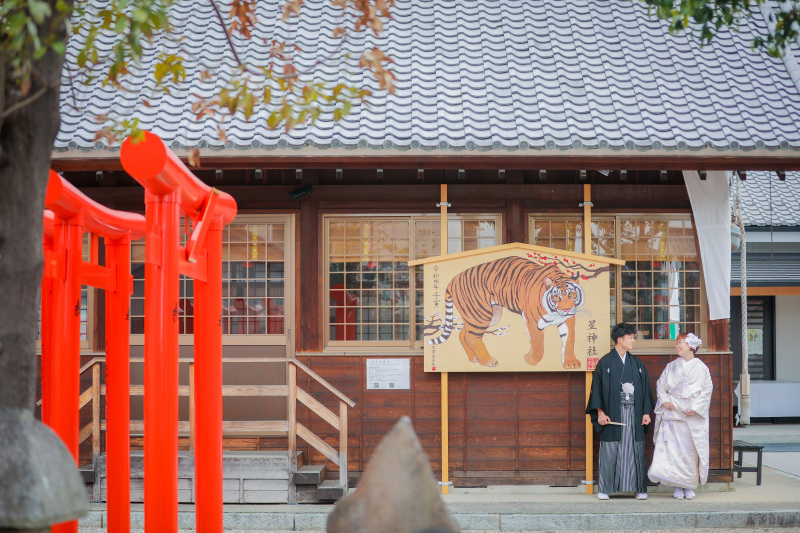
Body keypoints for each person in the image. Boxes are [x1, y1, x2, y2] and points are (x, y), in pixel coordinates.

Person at [586, 323, 654, 500]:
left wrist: (646, 413)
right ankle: (605, 489)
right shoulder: (605, 363)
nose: (633, 340)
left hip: (634, 414)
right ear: (619, 339)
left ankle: (638, 488)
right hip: (612, 413)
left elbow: (645, 389)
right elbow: (597, 389)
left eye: (633, 337)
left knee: (635, 450)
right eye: (630, 337)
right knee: (610, 450)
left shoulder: (637, 364)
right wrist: (600, 413)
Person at [648, 332, 713, 500]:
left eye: (680, 343)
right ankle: (677, 485)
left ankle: (689, 485)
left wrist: (696, 408)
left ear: (691, 346)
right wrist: (665, 401)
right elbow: (661, 386)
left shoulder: (702, 368)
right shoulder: (671, 366)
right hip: (673, 413)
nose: (677, 346)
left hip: (691, 416)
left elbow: (707, 391)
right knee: (673, 452)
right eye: (677, 343)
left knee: (689, 452)